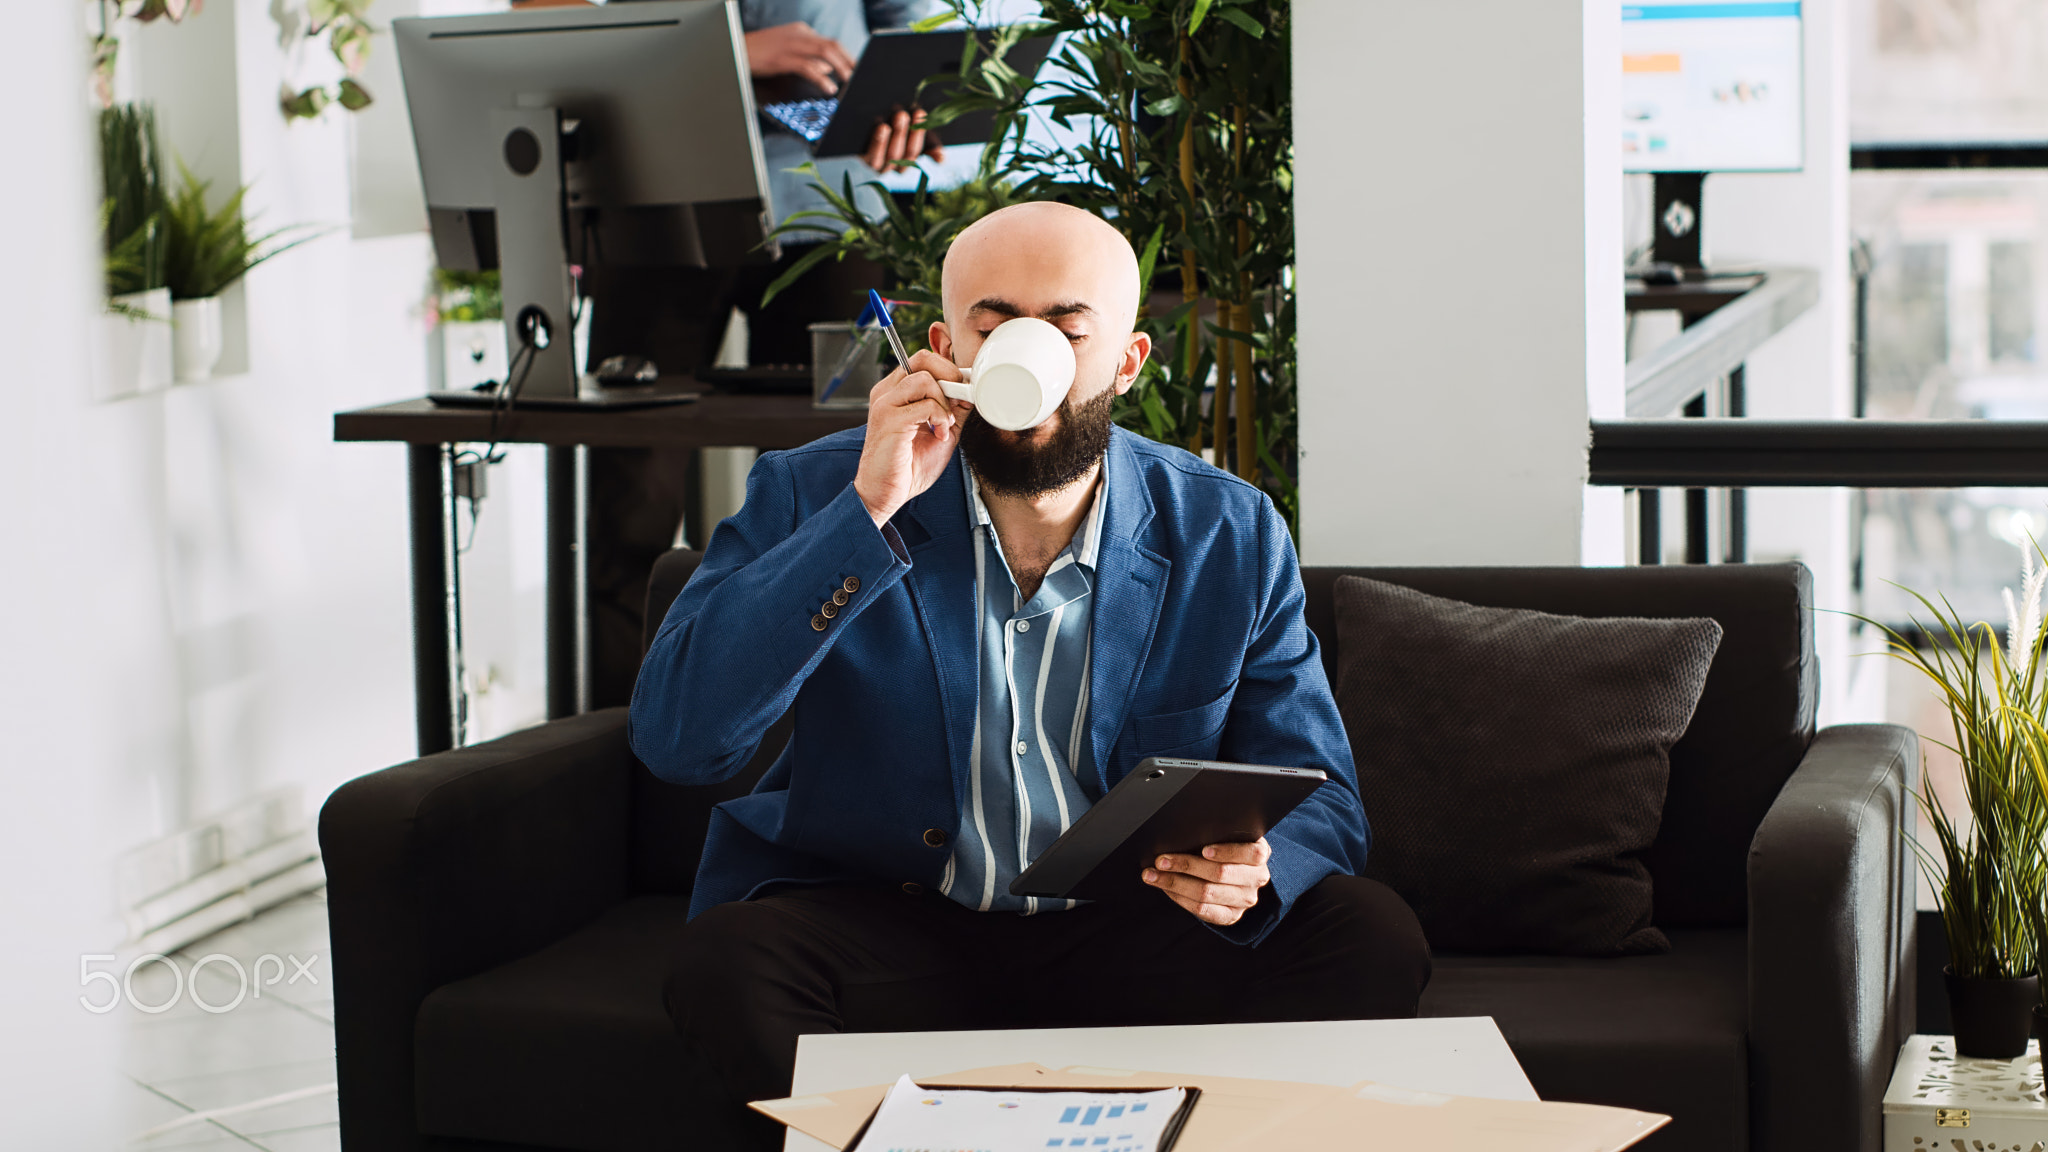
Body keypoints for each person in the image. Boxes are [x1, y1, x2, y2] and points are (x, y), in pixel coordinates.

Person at [630, 202, 1432, 1149]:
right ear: (943, 345)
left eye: (1066, 325)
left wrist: (1256, 870)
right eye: (994, 320)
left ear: (1127, 361)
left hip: (1129, 928)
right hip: (892, 916)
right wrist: (866, 514)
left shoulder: (1228, 529)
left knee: (1368, 934)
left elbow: (1326, 800)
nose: (1028, 347)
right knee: (724, 966)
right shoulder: (819, 491)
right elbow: (678, 739)